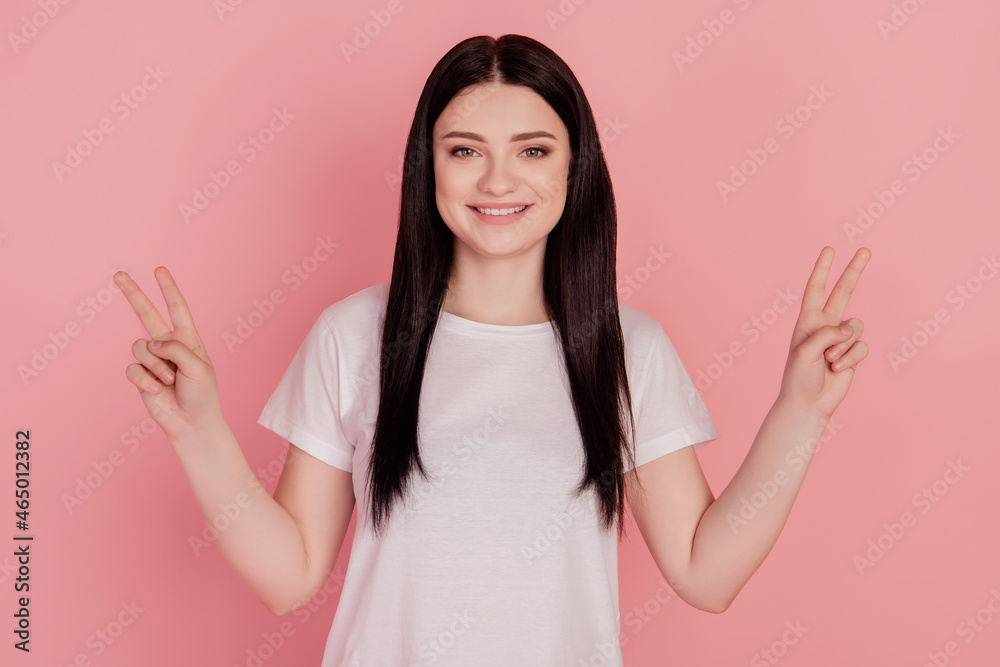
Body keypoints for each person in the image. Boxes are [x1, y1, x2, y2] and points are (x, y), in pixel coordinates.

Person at [114, 33, 870, 666]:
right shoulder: (354, 335)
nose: (499, 178)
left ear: (575, 169)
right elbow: (289, 575)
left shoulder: (625, 349)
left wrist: (801, 412)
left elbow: (707, 573)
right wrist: (198, 429)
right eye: (465, 149)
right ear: (427, 167)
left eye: (534, 149)